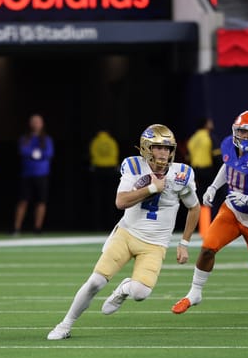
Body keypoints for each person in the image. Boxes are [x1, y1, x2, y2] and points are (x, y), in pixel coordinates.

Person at [47, 124, 200, 340]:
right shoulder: (134, 166)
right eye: (158, 148)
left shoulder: (182, 174)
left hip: (155, 244)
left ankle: (124, 289)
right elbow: (121, 202)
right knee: (95, 282)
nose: (164, 153)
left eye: (167, 148)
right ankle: (65, 324)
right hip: (127, 234)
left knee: (140, 293)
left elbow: (194, 208)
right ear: (147, 148)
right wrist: (151, 189)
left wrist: (184, 243)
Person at [172, 111, 248, 314]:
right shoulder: (227, 144)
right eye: (242, 132)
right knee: (208, 248)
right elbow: (228, 165)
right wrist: (214, 188)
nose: (245, 137)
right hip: (232, 210)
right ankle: (195, 292)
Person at [13, 114, 54, 235]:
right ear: (30, 124)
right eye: (34, 122)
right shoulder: (25, 138)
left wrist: (37, 154)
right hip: (27, 174)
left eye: (39, 122)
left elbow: (49, 153)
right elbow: (23, 151)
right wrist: (34, 153)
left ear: (42, 124)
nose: (36, 124)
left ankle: (37, 228)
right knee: (23, 201)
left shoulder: (47, 139)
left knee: (41, 201)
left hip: (42, 174)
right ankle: (17, 228)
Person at [88, 128, 120, 230]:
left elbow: (92, 154)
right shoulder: (112, 141)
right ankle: (111, 224)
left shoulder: (95, 141)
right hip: (111, 170)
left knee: (97, 199)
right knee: (111, 198)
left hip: (98, 170)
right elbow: (115, 155)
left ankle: (97, 225)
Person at [186, 117, 217, 201]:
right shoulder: (209, 136)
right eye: (210, 122)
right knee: (210, 195)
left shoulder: (192, 138)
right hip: (207, 171)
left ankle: (201, 213)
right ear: (206, 124)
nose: (212, 123)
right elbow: (216, 155)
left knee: (199, 195)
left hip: (195, 171)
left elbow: (188, 157)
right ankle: (210, 214)